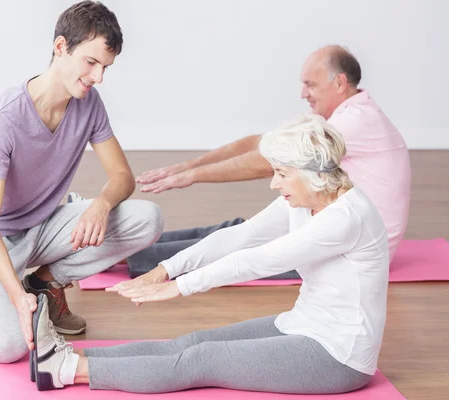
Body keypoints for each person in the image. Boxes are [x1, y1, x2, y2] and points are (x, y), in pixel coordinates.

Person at [29, 114, 388, 394]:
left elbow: (257, 260)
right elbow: (240, 237)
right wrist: (166, 270)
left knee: (201, 360)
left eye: (281, 174)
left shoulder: (346, 218)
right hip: (301, 324)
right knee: (194, 342)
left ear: (312, 174)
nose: (273, 184)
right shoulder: (305, 197)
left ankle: (65, 371)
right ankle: (68, 357)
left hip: (337, 356)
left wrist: (181, 288)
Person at [0, 0, 163, 364]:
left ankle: (42, 282)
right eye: (91, 62)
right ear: (60, 47)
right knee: (8, 347)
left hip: (39, 226)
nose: (98, 77)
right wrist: (14, 298)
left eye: (105, 67)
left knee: (147, 218)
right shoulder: (1, 117)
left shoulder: (89, 103)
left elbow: (122, 177)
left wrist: (101, 206)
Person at [124, 45, 410, 278]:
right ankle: (130, 246)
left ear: (339, 83)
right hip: (335, 228)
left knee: (242, 248)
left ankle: (133, 258)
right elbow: (261, 142)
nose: (302, 93)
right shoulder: (349, 116)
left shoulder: (353, 123)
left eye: (310, 84)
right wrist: (188, 166)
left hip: (352, 250)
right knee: (238, 229)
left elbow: (266, 160)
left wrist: (192, 177)